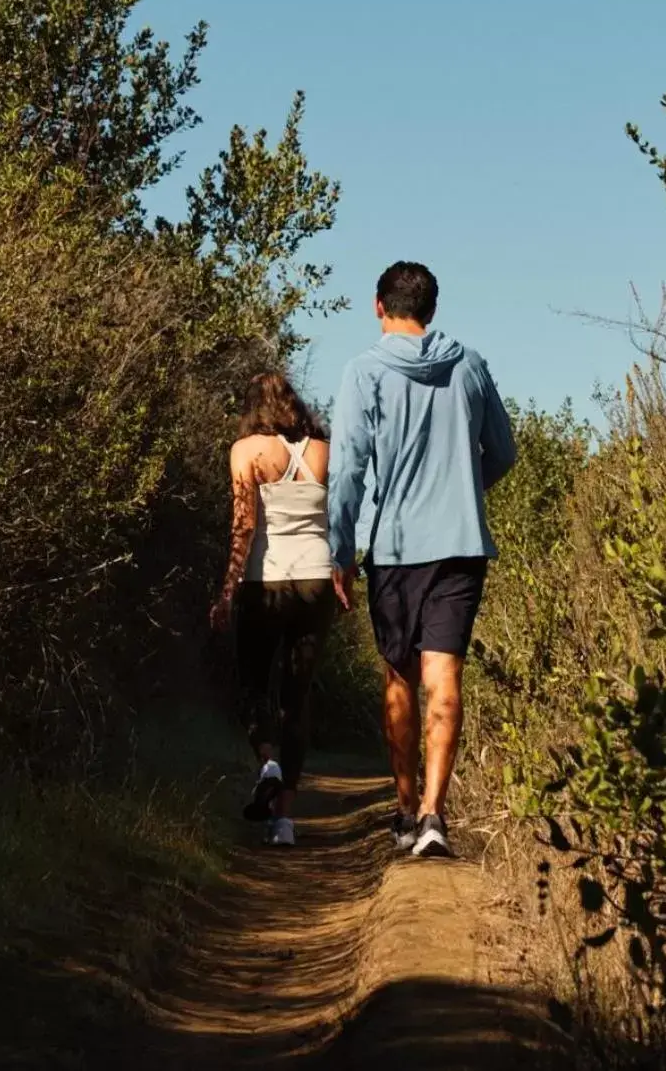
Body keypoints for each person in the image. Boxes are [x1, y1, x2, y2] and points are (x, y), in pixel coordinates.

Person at [327, 261, 517, 859]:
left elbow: (349, 469)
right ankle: (436, 813)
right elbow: (504, 452)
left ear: (379, 307)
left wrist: (340, 550)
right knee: (445, 675)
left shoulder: (363, 373)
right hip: (460, 544)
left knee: (400, 676)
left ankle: (406, 811)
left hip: (397, 548)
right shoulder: (471, 365)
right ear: (431, 310)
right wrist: (460, 490)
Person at [210, 371, 336, 847]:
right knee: (296, 699)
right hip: (315, 580)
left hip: (265, 581)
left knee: (251, 688)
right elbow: (335, 517)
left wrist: (226, 590)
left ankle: (268, 762)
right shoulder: (323, 448)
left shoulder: (247, 452)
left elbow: (243, 527)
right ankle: (284, 821)